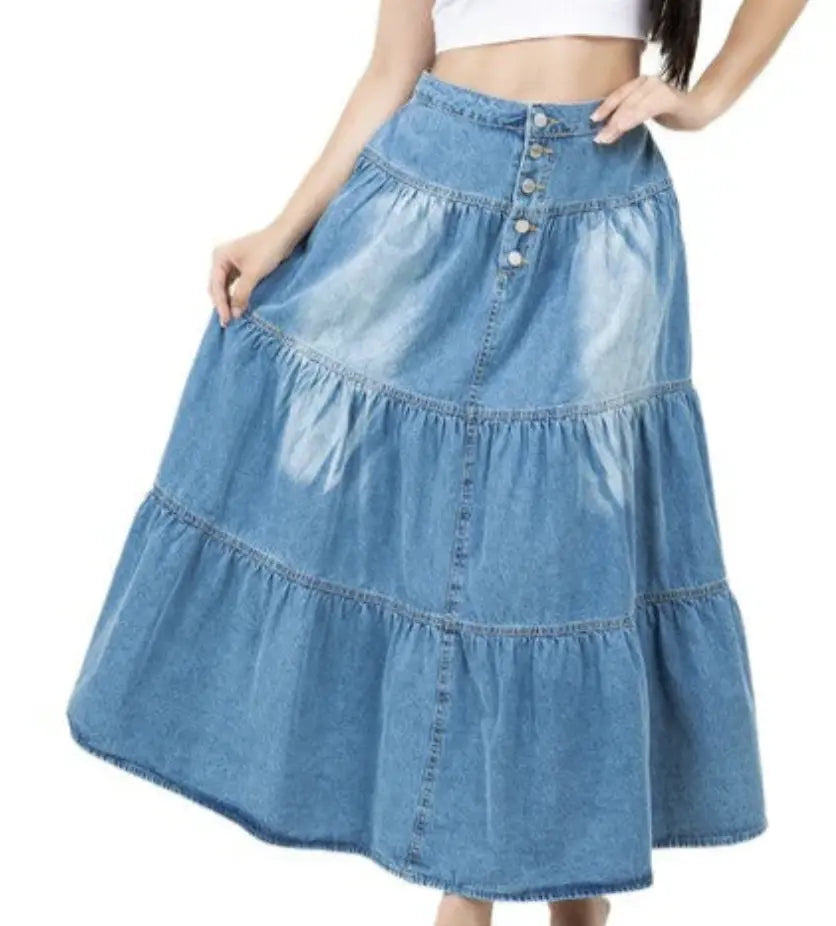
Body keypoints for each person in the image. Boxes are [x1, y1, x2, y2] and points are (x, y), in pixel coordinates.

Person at [67, 2, 806, 924]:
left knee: (569, 571)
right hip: (431, 193)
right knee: (450, 555)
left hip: (602, 213)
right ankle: (493, 889)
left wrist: (705, 98)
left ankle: (533, 893)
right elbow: (391, 72)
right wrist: (282, 231)